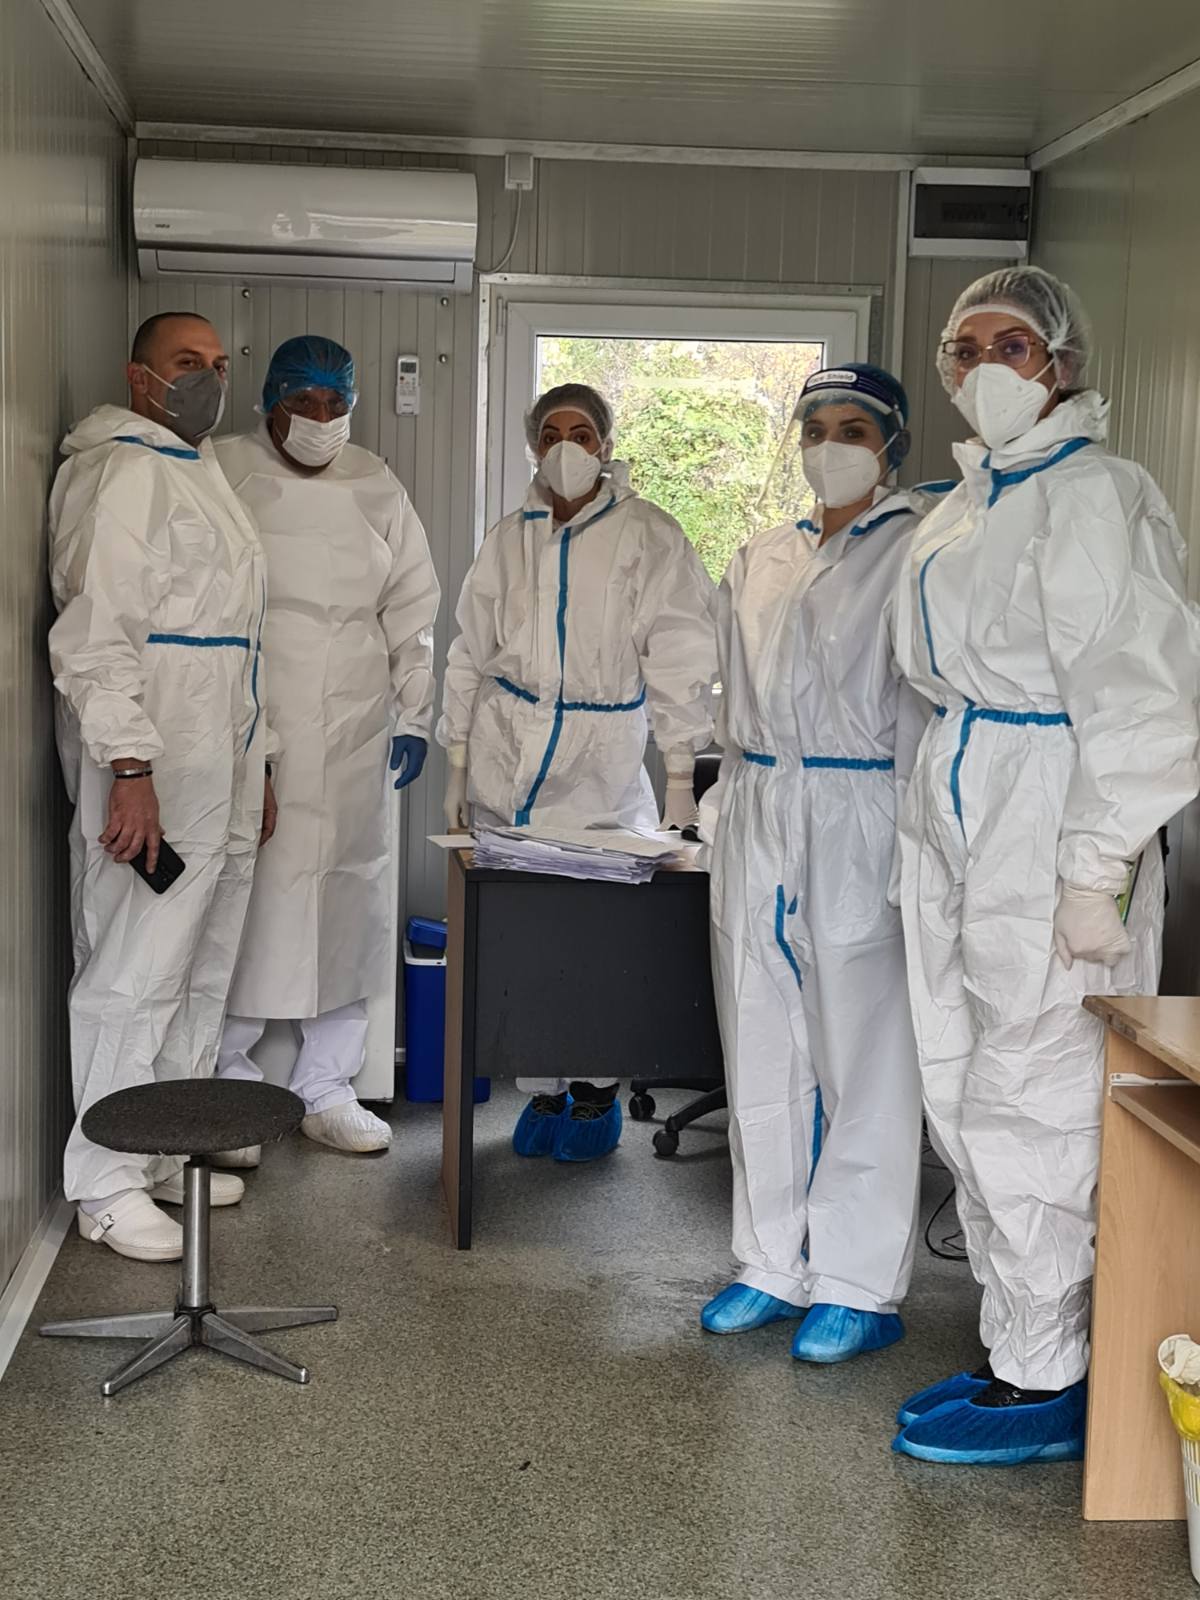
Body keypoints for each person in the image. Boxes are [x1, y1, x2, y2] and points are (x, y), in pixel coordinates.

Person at [890, 266, 1200, 1466]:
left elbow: (1146, 699)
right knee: (964, 1080)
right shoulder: (967, 504)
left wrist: (1093, 867)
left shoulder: (1097, 495)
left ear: (1062, 363)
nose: (985, 369)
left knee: (1039, 1090)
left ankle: (1049, 1376)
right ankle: (1016, 1339)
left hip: (1051, 809)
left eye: (1011, 346)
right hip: (968, 799)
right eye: (966, 350)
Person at [700, 363, 934, 1363]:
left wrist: (919, 840)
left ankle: (857, 1282)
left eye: (853, 430)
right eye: (815, 428)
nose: (829, 447)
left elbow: (926, 707)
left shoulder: (919, 547)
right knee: (759, 1034)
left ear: (892, 446)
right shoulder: (762, 555)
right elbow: (727, 691)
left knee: (865, 1048)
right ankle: (769, 1260)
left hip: (861, 809)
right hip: (761, 806)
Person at [437, 381, 717, 1162]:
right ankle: (546, 1089)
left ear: (606, 443)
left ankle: (595, 1093)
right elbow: (469, 650)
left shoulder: (648, 534)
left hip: (601, 762)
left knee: (593, 941)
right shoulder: (509, 537)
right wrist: (457, 760)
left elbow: (681, 653)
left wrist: (680, 777)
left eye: (583, 433)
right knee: (523, 942)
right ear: (534, 444)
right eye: (553, 432)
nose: (567, 447)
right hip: (507, 756)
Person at [48, 311, 276, 1262]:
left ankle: (160, 1150)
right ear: (140, 376)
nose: (208, 380)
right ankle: (104, 1181)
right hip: (155, 756)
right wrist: (130, 769)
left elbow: (239, 641)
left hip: (218, 753)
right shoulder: (123, 472)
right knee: (134, 967)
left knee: (198, 963)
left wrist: (259, 761)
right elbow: (93, 637)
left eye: (218, 364)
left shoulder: (195, 467)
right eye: (188, 363)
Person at [213, 337, 440, 1158]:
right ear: (268, 401)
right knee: (245, 901)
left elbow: (411, 605)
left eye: (335, 402)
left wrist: (414, 714)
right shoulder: (223, 470)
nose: (319, 417)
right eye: (302, 400)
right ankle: (227, 1085)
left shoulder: (376, 483)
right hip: (254, 722)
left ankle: (328, 1087)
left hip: (353, 727)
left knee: (347, 896)